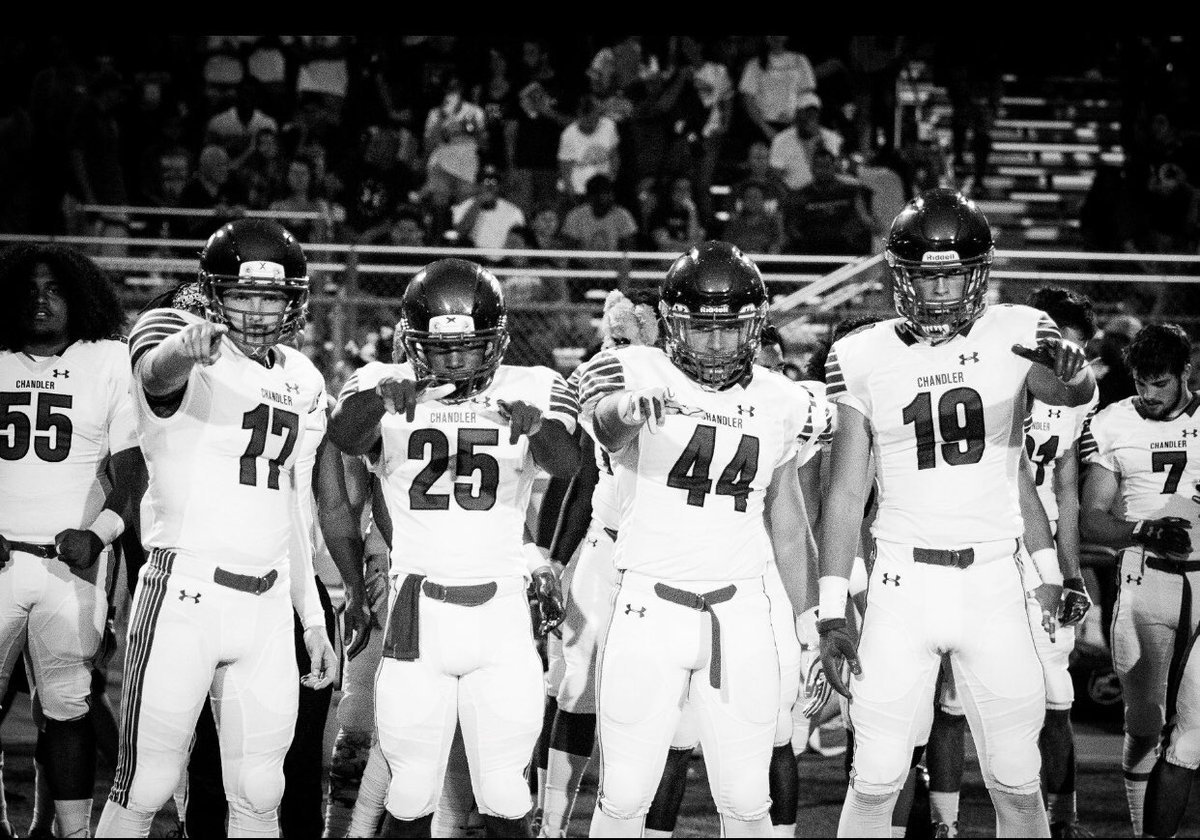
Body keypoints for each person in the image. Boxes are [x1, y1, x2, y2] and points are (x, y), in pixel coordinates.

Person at [816, 188, 1096, 838]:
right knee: (877, 775)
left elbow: (1062, 386)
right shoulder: (861, 353)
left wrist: (1076, 378)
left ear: (979, 273)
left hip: (994, 580)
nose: (940, 291)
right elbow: (844, 492)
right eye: (925, 275)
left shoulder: (1020, 329)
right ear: (900, 275)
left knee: (1015, 779)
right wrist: (832, 610)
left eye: (951, 274)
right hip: (901, 582)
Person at [96, 219, 338, 838]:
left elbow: (294, 507)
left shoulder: (303, 378)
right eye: (242, 294)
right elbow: (155, 374)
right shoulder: (178, 335)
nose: (256, 310)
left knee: (261, 792)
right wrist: (188, 348)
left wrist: (311, 619)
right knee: (146, 783)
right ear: (214, 293)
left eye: (271, 296)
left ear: (293, 301)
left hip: (266, 604)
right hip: (185, 591)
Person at [327, 258, 579, 836]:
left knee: (505, 793)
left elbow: (568, 464)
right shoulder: (376, 383)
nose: (455, 360)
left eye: (469, 346)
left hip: (501, 613)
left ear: (496, 341)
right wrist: (383, 399)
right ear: (412, 343)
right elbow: (344, 433)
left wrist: (538, 427)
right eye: (440, 349)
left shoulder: (532, 384)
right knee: (411, 791)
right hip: (419, 611)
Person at [577, 241, 821, 837]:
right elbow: (604, 427)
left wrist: (811, 621)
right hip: (649, 601)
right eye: (700, 328)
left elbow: (788, 522)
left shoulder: (783, 399)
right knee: (625, 792)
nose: (715, 344)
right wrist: (628, 412)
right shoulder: (637, 370)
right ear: (672, 324)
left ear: (755, 326)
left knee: (745, 796)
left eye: (731, 328)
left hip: (741, 607)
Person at [923, 287, 1100, 839]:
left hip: (1040, 555)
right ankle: (944, 822)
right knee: (952, 694)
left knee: (1055, 695)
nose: (1065, 363)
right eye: (1057, 349)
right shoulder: (992, 373)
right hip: (986, 544)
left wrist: (1069, 574)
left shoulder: (1078, 400)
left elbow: (1066, 494)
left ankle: (1061, 817)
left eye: (1076, 352)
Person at [0, 244, 144, 840]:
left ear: (79, 297)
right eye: (30, 288)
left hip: (72, 564)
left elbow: (133, 472)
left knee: (69, 709)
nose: (41, 300)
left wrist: (99, 534)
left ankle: (74, 834)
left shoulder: (109, 360)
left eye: (54, 288)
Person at [535, 290, 660, 838]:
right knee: (574, 682)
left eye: (625, 338)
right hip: (607, 546)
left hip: (670, 559)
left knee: (663, 707)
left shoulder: (693, 381)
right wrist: (549, 557)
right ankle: (551, 821)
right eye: (610, 339)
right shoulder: (603, 378)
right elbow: (577, 479)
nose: (612, 350)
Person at [1079, 323, 1200, 838]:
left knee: (1192, 735)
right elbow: (1092, 516)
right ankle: (1138, 829)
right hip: (1146, 579)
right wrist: (1144, 528)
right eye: (1142, 384)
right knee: (1145, 722)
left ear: (1185, 374)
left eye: (1161, 384)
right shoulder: (1113, 423)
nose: (1149, 396)